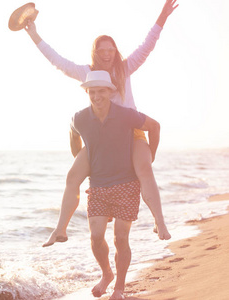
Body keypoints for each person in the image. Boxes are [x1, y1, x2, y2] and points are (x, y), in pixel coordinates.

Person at [25, 0, 178, 244]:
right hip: (99, 137)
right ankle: (60, 229)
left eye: (111, 49)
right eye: (101, 50)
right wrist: (34, 35)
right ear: (95, 53)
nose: (107, 54)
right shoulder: (87, 74)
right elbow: (57, 61)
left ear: (116, 52)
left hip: (132, 132)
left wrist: (162, 16)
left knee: (145, 169)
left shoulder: (125, 68)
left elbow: (148, 45)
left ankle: (159, 222)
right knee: (73, 176)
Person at [71, 70, 160, 299]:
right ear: (87, 92)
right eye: (93, 91)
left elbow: (155, 126)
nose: (97, 95)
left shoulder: (125, 114)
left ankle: (119, 288)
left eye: (102, 91)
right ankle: (106, 274)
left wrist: (151, 154)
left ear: (110, 92)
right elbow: (73, 132)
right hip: (99, 184)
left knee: (121, 237)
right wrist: (82, 158)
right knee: (96, 236)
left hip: (126, 183)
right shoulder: (81, 117)